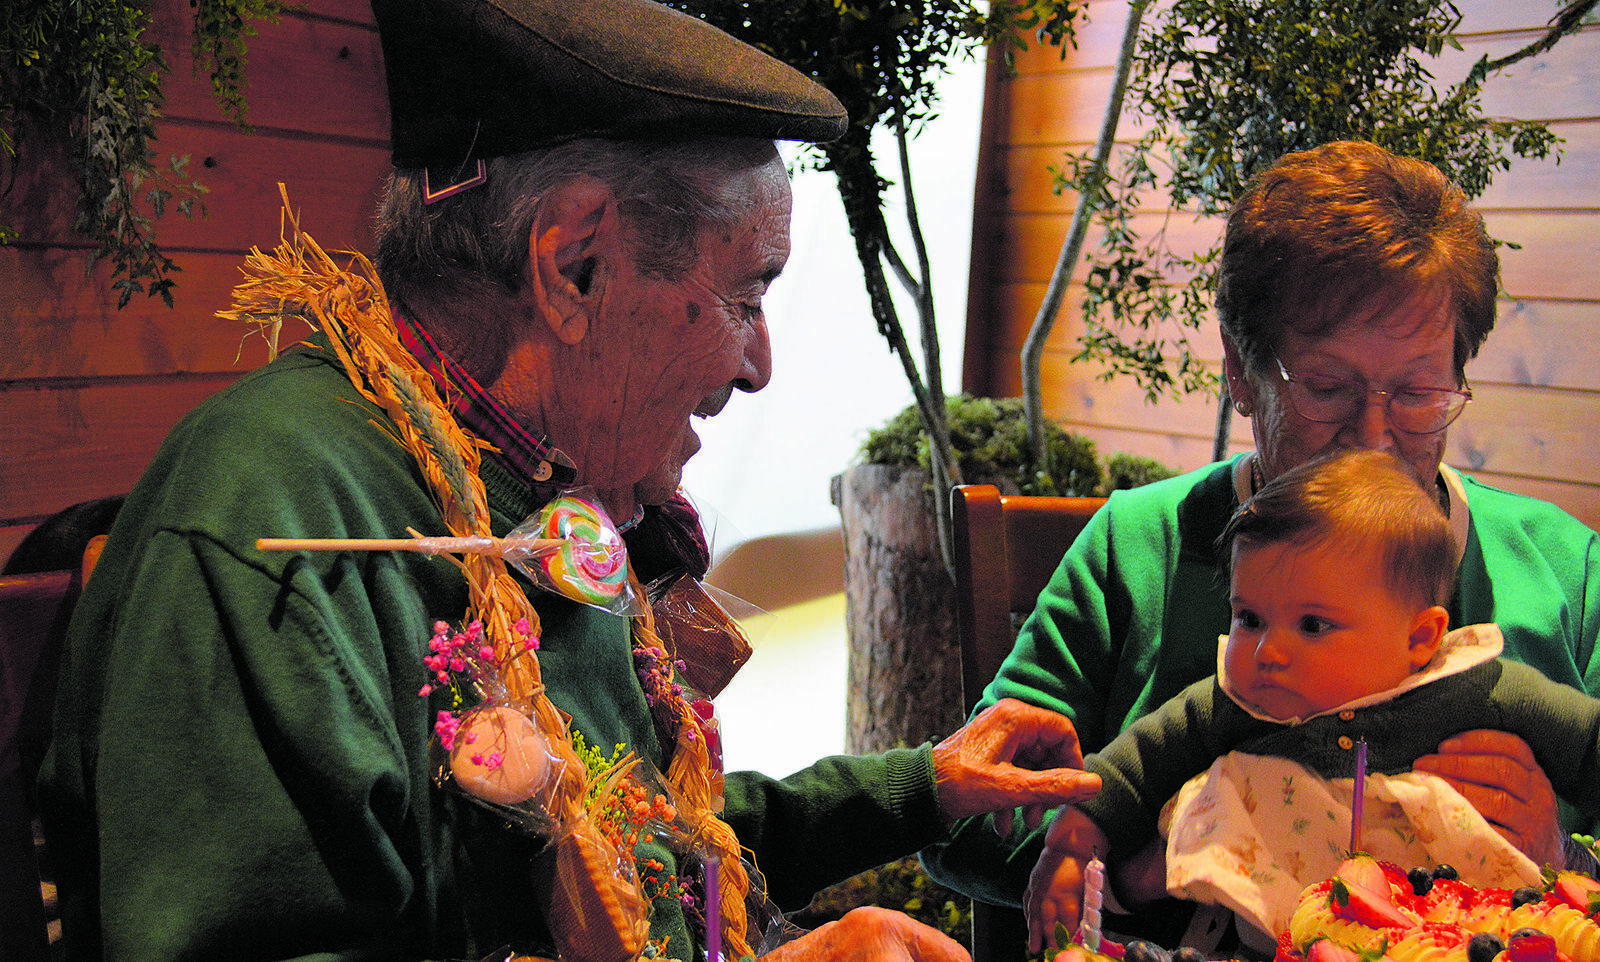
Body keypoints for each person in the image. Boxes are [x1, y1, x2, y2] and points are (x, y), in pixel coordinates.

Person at [36, 1, 1102, 960]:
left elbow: (636, 847)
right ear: (572, 266)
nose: (758, 364)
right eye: (746, 294)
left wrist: (922, 784)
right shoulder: (274, 522)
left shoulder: (541, 492)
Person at [921, 140, 1600, 940]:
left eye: (1418, 392)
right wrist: (1150, 861)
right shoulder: (1136, 551)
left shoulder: (1561, 567)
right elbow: (965, 820)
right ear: (1242, 373)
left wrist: (1565, 858)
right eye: (1326, 387)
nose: (1373, 436)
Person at [1022, 448, 1600, 954]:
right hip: (1270, 945)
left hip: (1456, 941)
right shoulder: (1235, 703)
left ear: (1420, 639)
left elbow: (1589, 744)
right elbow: (1135, 765)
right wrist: (1073, 841)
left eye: (1313, 625)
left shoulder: (1481, 687)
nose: (1268, 651)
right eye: (1249, 618)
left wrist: (1573, 860)